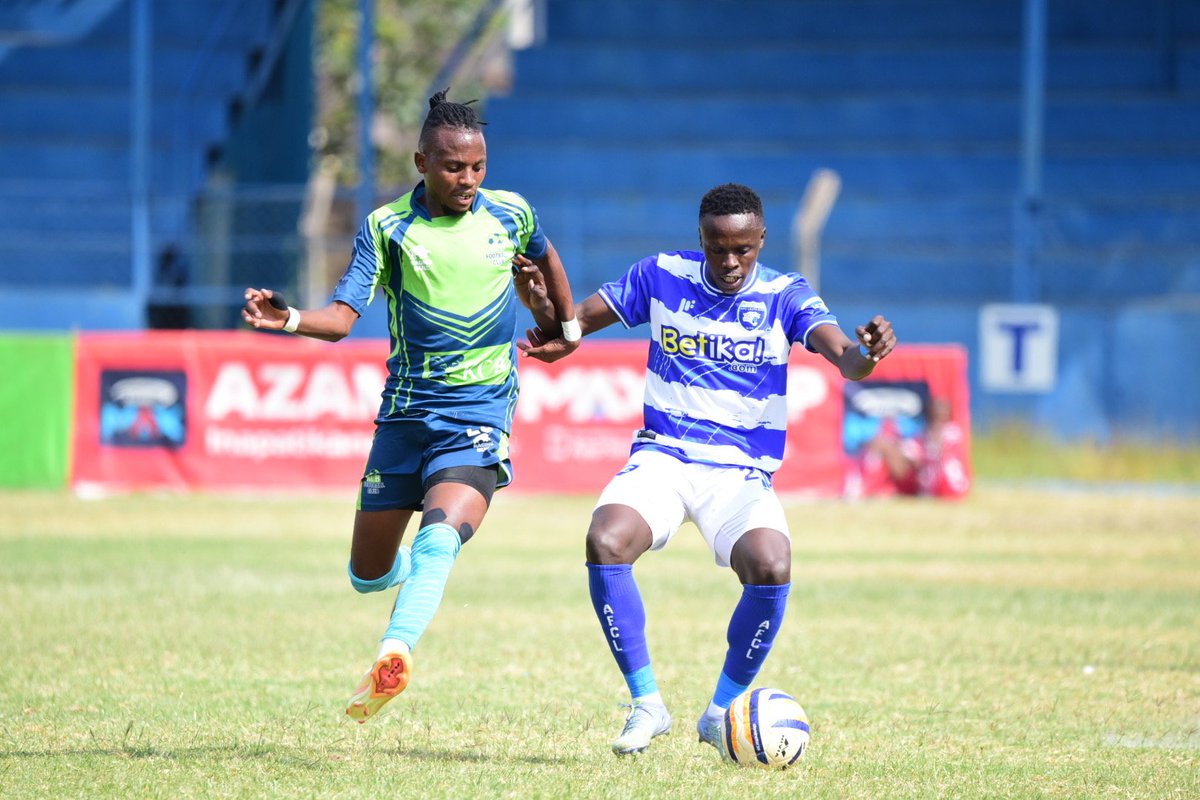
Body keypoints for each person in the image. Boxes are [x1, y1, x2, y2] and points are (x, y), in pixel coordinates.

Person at [516, 182, 897, 756]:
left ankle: (721, 712)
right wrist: (546, 310)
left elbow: (846, 358)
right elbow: (573, 326)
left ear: (761, 240)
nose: (730, 262)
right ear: (701, 239)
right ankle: (647, 704)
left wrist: (866, 353)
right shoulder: (661, 274)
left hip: (740, 474)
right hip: (663, 458)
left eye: (743, 249)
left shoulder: (786, 295)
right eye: (718, 248)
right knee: (605, 539)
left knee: (771, 565)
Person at [242, 89, 580, 723]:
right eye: (455, 167)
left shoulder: (510, 212)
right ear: (423, 161)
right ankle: (398, 595)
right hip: (404, 416)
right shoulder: (386, 227)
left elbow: (546, 255)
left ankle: (392, 654)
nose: (469, 180)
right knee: (367, 575)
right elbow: (343, 319)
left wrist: (569, 326)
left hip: (480, 411)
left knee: (438, 540)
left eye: (478, 166)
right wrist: (287, 318)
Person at [855, 397, 971, 499]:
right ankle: (874, 487)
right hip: (936, 488)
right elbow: (910, 452)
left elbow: (929, 459)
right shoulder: (925, 435)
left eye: (940, 416)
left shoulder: (951, 434)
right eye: (935, 416)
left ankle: (868, 488)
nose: (937, 421)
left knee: (890, 455)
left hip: (946, 488)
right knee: (885, 451)